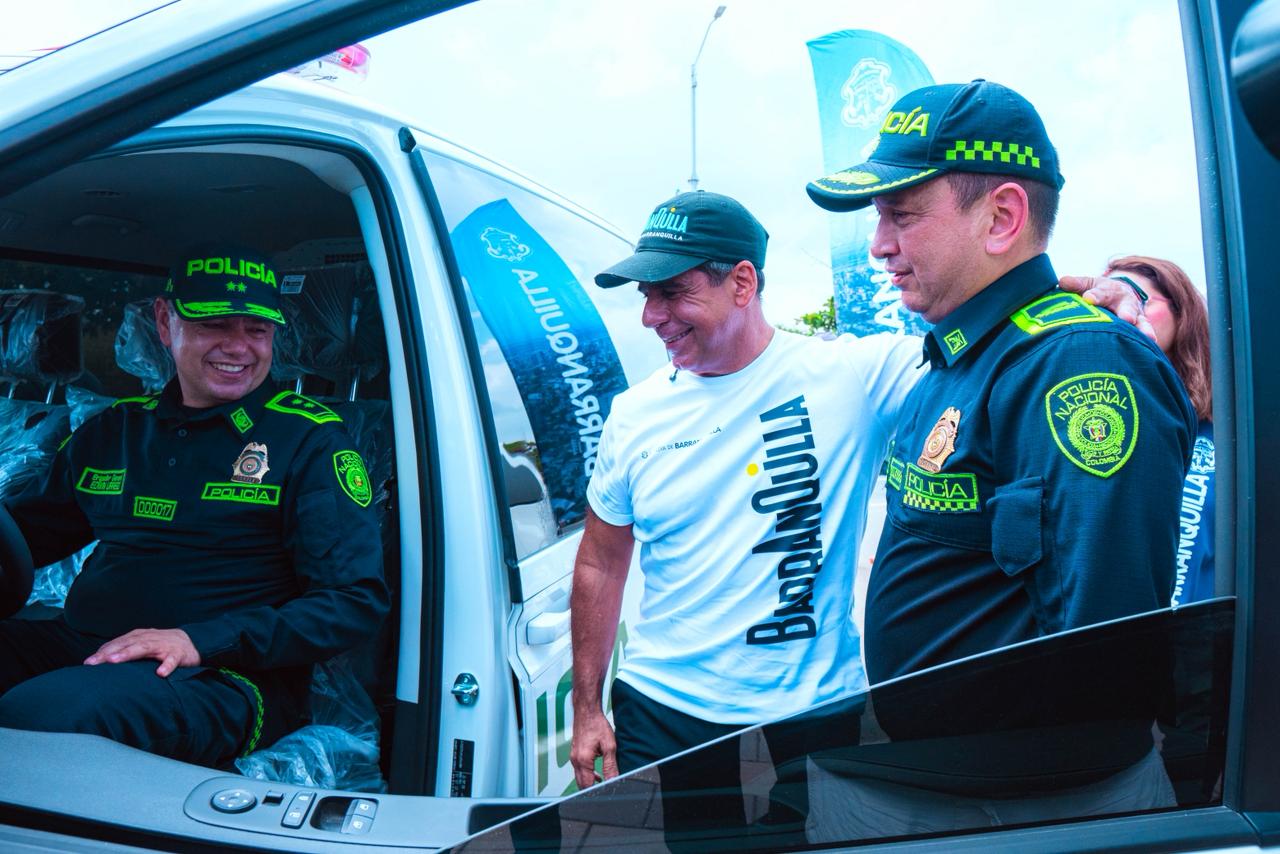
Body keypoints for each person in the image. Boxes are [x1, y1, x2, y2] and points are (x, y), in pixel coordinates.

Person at [568, 188, 1149, 846]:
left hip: (812, 716)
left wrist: (1090, 291)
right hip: (663, 710)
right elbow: (600, 563)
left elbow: (990, 334)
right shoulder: (633, 415)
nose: (652, 316)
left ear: (742, 283)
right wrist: (587, 708)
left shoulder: (852, 375)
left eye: (672, 293)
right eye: (645, 297)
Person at [801, 79, 1196, 837]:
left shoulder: (1078, 365)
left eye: (900, 215)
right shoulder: (968, 352)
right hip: (948, 784)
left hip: (1031, 805)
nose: (879, 244)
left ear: (1002, 216)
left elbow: (1103, 641)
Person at [0, 246, 389, 768]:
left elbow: (353, 602)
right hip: (89, 642)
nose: (239, 346)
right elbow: (24, 535)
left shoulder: (310, 441)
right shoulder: (115, 430)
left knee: (39, 716)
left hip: (224, 677)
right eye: (214, 325)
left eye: (257, 329)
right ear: (165, 322)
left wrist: (197, 640)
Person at [1105, 255, 1215, 606]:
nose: (1122, 312)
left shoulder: (1230, 423)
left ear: (1183, 313)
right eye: (1106, 301)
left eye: (1138, 297)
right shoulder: (1110, 421)